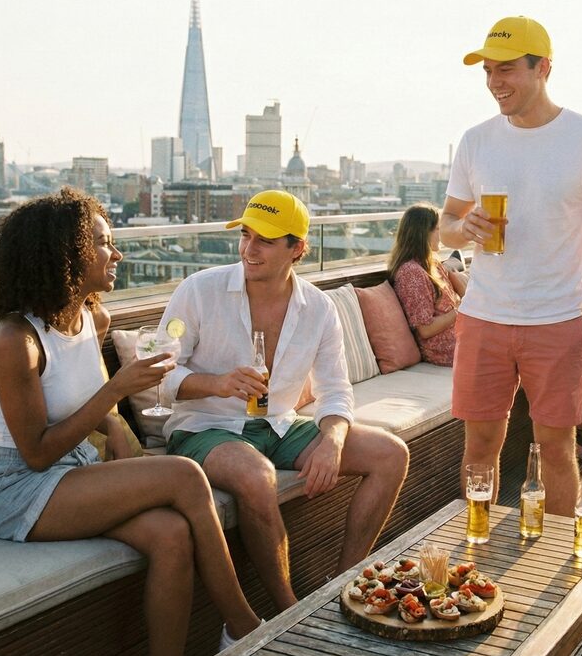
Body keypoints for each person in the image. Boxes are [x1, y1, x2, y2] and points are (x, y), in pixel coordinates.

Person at [0, 188, 260, 656]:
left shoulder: (93, 317)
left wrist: (116, 429)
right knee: (185, 474)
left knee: (171, 536)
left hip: (75, 468)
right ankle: (245, 626)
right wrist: (115, 394)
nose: (117, 253)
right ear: (67, 255)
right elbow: (37, 453)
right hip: (18, 488)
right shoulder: (14, 340)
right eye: (104, 242)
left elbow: (82, 408)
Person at [158, 190, 409, 612]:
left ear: (299, 249)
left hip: (278, 424)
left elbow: (335, 389)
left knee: (390, 454)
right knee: (257, 477)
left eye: (265, 241)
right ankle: (287, 612)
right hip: (205, 426)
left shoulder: (319, 308)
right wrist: (217, 384)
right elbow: (161, 377)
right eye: (245, 235)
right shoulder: (199, 291)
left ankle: (343, 589)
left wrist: (331, 441)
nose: (248, 250)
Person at [439, 16, 582, 517]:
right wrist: (466, 228)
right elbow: (446, 226)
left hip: (556, 322)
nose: (494, 83)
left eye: (505, 70)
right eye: (487, 72)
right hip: (483, 319)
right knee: (479, 450)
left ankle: (566, 577)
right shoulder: (476, 140)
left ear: (543, 67)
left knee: (558, 453)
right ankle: (476, 555)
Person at [388, 203, 468, 365]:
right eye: (438, 229)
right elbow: (426, 329)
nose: (441, 235)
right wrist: (461, 310)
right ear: (424, 233)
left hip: (460, 337)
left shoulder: (433, 264)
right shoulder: (411, 273)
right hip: (444, 349)